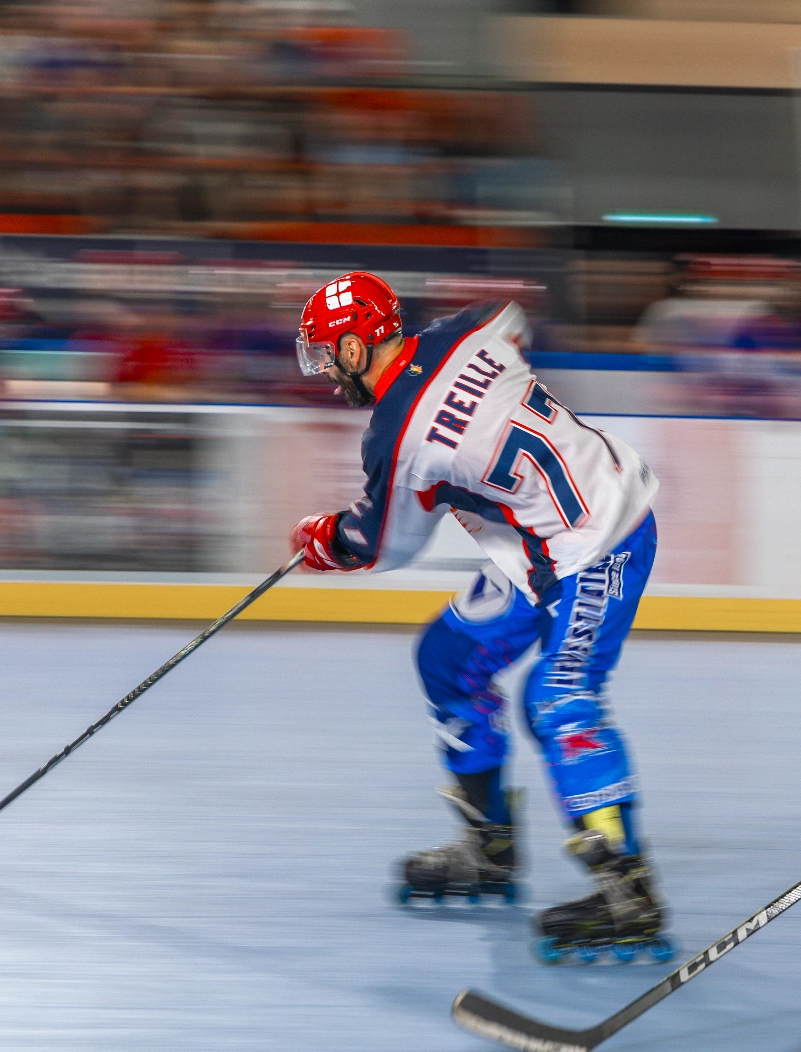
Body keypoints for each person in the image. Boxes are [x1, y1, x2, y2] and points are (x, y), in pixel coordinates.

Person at [286, 271, 669, 963]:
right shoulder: (466, 330)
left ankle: (628, 889)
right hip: (542, 545)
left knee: (558, 698)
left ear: (353, 348)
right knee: (448, 659)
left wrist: (324, 538)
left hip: (599, 540)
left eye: (325, 354)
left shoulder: (396, 439)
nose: (326, 373)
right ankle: (489, 848)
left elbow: (385, 545)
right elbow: (513, 318)